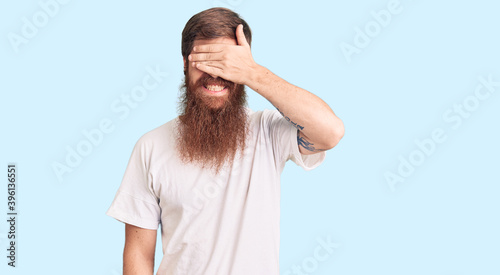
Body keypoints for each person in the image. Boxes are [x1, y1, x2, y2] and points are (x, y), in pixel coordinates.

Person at [106, 7, 344, 275]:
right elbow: (139, 253)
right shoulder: (150, 146)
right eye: (205, 61)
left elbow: (330, 131)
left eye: (227, 64)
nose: (215, 74)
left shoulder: (268, 132)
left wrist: (253, 73)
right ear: (184, 63)